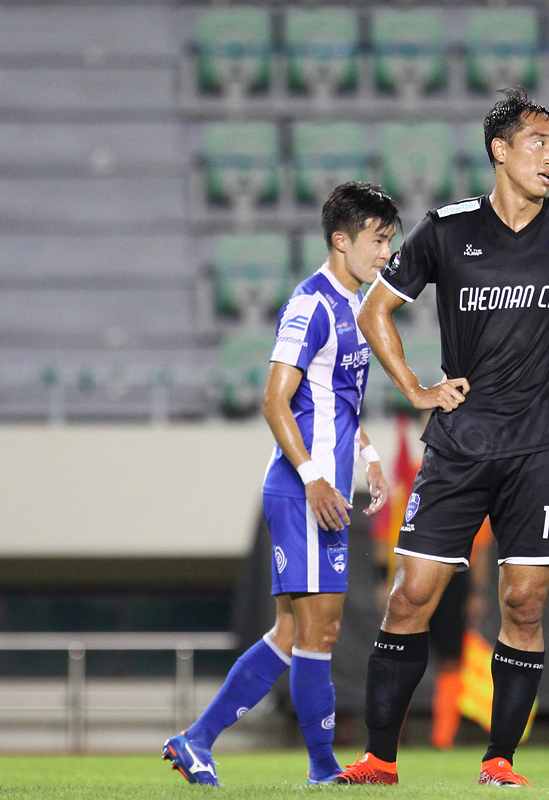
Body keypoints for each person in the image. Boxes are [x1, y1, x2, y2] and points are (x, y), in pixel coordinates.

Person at [333, 87, 549, 787]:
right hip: (458, 446)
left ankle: (499, 761)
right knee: (410, 596)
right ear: (500, 149)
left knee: (524, 605)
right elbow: (374, 311)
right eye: (537, 143)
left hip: (540, 453)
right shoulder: (446, 229)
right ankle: (378, 759)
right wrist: (416, 389)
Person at [162, 182, 398, 786]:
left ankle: (196, 740)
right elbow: (274, 400)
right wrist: (315, 479)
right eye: (377, 240)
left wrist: (368, 454)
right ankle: (322, 769)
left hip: (322, 488)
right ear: (340, 240)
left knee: (294, 632)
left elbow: (336, 399)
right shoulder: (311, 305)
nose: (385, 253)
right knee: (320, 629)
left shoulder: (358, 305)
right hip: (303, 491)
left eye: (389, 241)